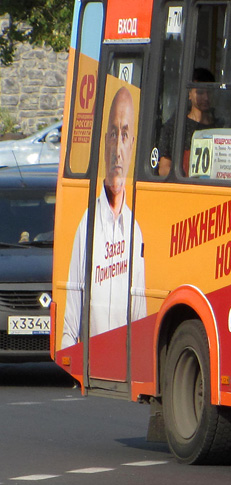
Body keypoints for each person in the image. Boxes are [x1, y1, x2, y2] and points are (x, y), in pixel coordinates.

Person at [63, 87, 147, 346]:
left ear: (133, 144)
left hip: (123, 363)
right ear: (103, 143)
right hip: (92, 362)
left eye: (124, 134)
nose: (118, 148)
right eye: (113, 134)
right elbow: (72, 309)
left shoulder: (135, 230)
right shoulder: (86, 224)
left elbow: (139, 313)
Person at [156, 67, 216, 177]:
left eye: (210, 92)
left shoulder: (221, 127)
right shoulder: (174, 127)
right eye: (200, 92)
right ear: (189, 94)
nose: (206, 97)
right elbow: (164, 168)